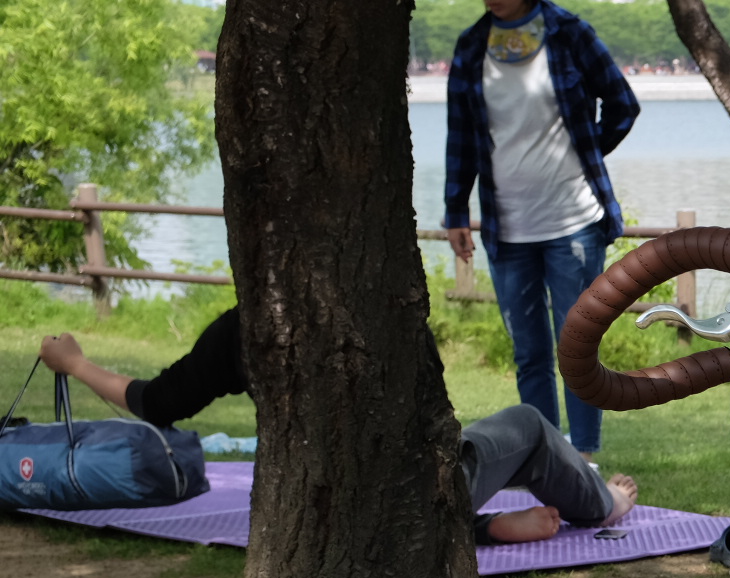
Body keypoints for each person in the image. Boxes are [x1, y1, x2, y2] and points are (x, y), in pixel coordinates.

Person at [37, 319, 636, 544]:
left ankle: (479, 527)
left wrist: (76, 364)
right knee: (527, 424)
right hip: (409, 496)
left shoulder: (241, 331)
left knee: (382, 483)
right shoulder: (382, 308)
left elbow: (156, 401)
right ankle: (599, 504)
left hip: (306, 505)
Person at [443, 0, 639, 457]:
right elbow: (460, 137)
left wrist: (585, 152)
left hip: (574, 223)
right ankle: (547, 460)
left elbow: (623, 105)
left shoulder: (569, 33)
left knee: (577, 348)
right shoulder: (471, 47)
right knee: (529, 354)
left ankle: (584, 457)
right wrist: (455, 211)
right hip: (506, 229)